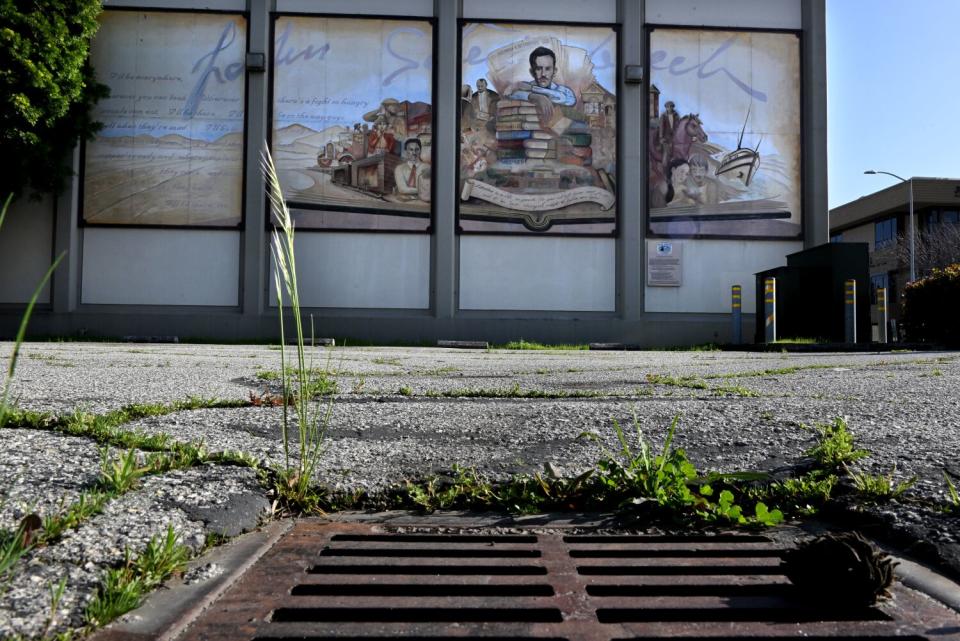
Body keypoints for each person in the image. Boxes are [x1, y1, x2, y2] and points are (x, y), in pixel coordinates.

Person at [508, 46, 576, 122]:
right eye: (538, 69)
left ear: (554, 71)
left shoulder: (564, 91)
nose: (543, 74)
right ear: (532, 72)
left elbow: (569, 100)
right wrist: (534, 96)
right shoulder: (524, 88)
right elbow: (512, 95)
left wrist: (533, 89)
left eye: (547, 69)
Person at [658, 100, 678, 175]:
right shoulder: (663, 116)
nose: (669, 108)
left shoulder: (676, 115)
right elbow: (661, 128)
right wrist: (661, 137)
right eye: (668, 107)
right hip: (666, 139)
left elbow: (678, 126)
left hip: (674, 138)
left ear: (673, 107)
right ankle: (665, 171)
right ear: (666, 108)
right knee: (666, 154)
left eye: (671, 107)